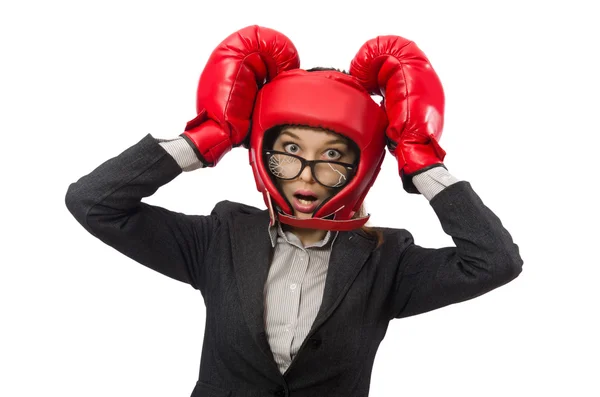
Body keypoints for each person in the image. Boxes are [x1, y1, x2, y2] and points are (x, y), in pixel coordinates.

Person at [65, 25, 523, 397]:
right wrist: (205, 136)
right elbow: (95, 204)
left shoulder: (389, 260)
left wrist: (422, 159)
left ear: (362, 163)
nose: (306, 175)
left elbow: (495, 262)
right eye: (288, 149)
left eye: (332, 157)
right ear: (261, 149)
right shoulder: (219, 237)